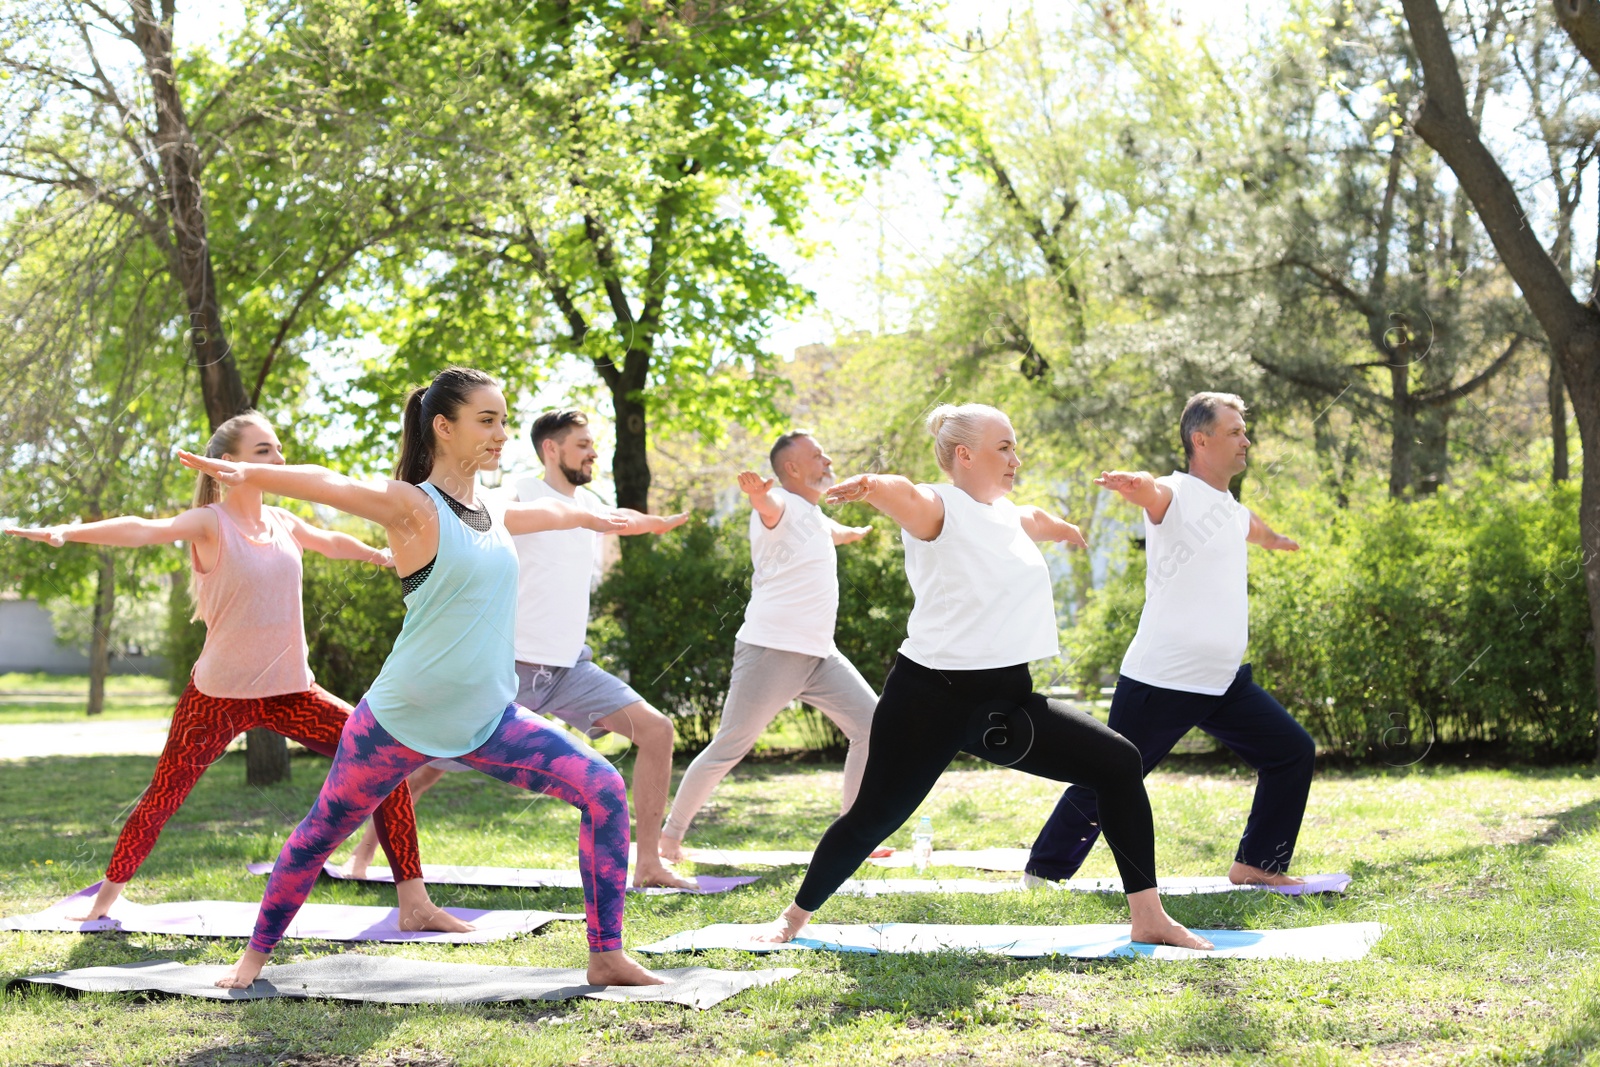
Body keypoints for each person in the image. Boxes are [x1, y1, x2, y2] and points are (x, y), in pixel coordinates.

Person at [179, 368, 675, 989]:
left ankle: (606, 955)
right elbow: (327, 484)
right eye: (486, 421)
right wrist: (249, 474)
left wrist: (602, 520)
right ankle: (252, 958)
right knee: (316, 838)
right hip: (397, 721)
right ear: (443, 427)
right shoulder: (413, 506)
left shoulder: (493, 508)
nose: (500, 434)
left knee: (602, 788)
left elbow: (552, 511)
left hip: (487, 718)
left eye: (502, 420)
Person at [758, 403, 1212, 950]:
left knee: (1118, 762)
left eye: (1015, 447)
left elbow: (1035, 518)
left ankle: (1149, 916)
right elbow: (908, 493)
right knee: (872, 819)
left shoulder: (1007, 514)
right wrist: (874, 485)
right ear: (965, 455)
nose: (1015, 459)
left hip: (1005, 704)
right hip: (930, 699)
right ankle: (794, 915)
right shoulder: (939, 507)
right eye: (1004, 448)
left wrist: (1063, 529)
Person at [4, 412, 460, 933]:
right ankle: (105, 899)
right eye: (264, 450)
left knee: (383, 758)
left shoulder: (284, 522)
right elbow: (144, 530)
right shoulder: (209, 523)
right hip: (216, 697)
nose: (279, 459)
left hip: (291, 691)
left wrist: (382, 555)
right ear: (229, 464)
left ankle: (414, 903)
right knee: (162, 798)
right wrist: (68, 532)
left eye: (278, 449)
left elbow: (332, 543)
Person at [342, 409, 692, 888]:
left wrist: (651, 523)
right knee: (420, 766)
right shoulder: (521, 492)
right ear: (552, 449)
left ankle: (649, 863)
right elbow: (481, 504)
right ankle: (360, 856)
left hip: (569, 668)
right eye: (583, 444)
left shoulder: (588, 503)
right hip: (507, 669)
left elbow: (617, 517)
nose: (593, 453)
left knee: (656, 732)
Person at [1025, 392, 1314, 888]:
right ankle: (1045, 872)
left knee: (1292, 752)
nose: (1246, 440)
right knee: (1114, 773)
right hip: (1165, 678)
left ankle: (1258, 864)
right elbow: (1152, 493)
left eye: (1244, 431)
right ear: (1200, 440)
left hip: (1223, 681)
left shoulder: (1228, 507)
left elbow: (1253, 528)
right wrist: (1133, 484)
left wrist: (1278, 540)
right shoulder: (1175, 493)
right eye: (1235, 432)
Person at [659, 431, 876, 860]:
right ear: (792, 469)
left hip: (820, 654)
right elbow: (770, 509)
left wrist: (851, 532)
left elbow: (828, 531)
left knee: (872, 727)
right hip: (772, 652)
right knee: (729, 747)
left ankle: (852, 838)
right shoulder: (782, 507)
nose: (828, 458)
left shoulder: (812, 513)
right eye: (818, 455)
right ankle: (669, 838)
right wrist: (759, 497)